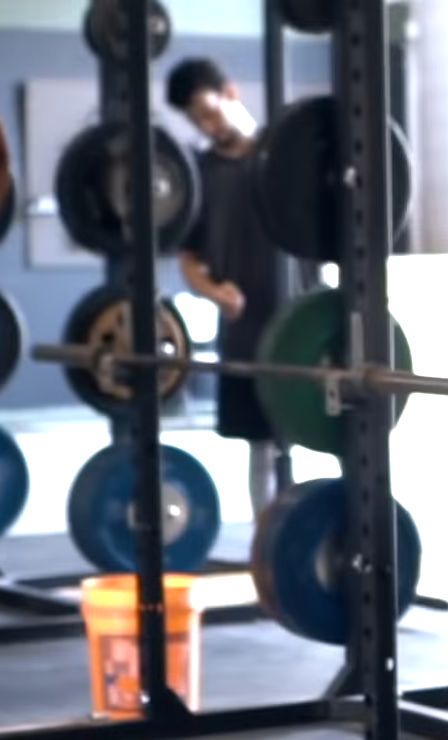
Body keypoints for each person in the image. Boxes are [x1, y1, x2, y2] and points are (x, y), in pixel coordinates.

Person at [166, 57, 288, 516]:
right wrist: (215, 293)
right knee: (260, 451)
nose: (207, 125)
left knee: (327, 433)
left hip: (300, 322)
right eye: (196, 120)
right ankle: (270, 549)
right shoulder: (198, 175)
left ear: (231, 93)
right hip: (244, 331)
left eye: (210, 111)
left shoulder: (283, 155)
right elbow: (189, 260)